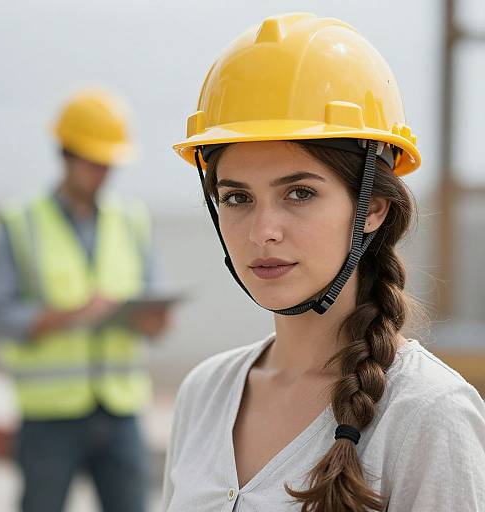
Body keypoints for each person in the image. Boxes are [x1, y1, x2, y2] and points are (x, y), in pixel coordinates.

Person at [162, 12, 485, 512]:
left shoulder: (428, 414)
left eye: (299, 193)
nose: (263, 229)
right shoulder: (205, 393)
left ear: (372, 209)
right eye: (236, 198)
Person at [0, 89, 171, 512]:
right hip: (50, 416)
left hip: (121, 407)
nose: (104, 171)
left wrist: (151, 320)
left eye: (110, 162)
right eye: (94, 160)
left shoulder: (133, 220)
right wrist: (72, 315)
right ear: (66, 154)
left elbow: (153, 301)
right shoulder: (21, 221)